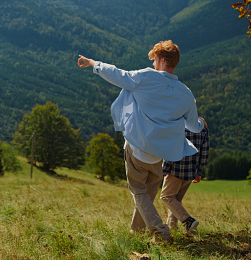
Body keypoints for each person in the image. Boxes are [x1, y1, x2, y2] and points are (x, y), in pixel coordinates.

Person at [78, 40, 204, 244]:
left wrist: (93, 62)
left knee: (138, 191)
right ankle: (136, 232)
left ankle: (159, 230)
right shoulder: (186, 93)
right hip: (160, 154)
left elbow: (117, 74)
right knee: (148, 194)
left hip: (137, 148)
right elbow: (194, 126)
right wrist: (198, 122)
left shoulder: (146, 77)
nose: (153, 63)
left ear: (162, 60)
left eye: (155, 59)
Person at [160, 122, 209, 233]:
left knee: (166, 197)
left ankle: (188, 221)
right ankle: (173, 229)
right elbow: (205, 153)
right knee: (176, 200)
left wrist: (163, 171)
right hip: (190, 171)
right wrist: (199, 172)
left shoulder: (176, 125)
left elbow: (171, 151)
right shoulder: (201, 128)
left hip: (175, 170)